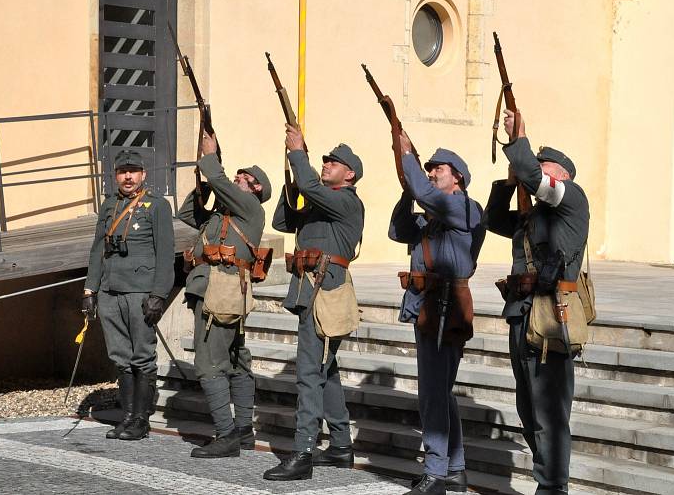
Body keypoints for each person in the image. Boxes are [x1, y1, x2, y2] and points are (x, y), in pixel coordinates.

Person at [484, 110, 589, 495]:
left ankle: (552, 487)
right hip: (522, 314)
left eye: (542, 166)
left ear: (559, 174)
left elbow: (535, 178)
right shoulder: (532, 217)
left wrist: (517, 143)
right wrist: (510, 182)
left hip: (552, 316)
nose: (531, 170)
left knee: (550, 412)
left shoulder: (571, 199)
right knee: (529, 410)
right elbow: (492, 218)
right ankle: (548, 476)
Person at [263, 125, 364, 481]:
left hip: (327, 292)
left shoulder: (346, 201)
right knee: (326, 370)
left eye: (333, 163)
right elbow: (282, 220)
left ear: (349, 174)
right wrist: (292, 176)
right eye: (324, 161)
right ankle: (339, 445)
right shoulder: (322, 204)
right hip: (310, 290)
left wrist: (297, 154)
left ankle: (303, 452)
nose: (326, 164)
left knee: (309, 372)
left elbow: (311, 188)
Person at [388, 131, 485, 495]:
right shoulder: (433, 215)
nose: (430, 173)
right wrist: (405, 189)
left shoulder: (464, 207)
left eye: (437, 169)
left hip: (445, 307)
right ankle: (454, 468)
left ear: (457, 176)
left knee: (431, 392)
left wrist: (407, 156)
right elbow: (398, 230)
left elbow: (426, 194)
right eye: (427, 169)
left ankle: (436, 472)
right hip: (427, 304)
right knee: (440, 391)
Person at [177, 131, 271, 458]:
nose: (237, 178)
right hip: (217, 287)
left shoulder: (250, 207)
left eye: (244, 178)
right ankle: (243, 429)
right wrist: (203, 186)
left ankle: (226, 434)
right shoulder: (224, 214)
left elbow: (219, 178)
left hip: (222, 289)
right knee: (236, 359)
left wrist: (209, 157)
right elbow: (187, 214)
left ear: (256, 188)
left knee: (208, 364)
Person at [82, 149, 175, 440]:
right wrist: (90, 288)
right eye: (123, 171)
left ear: (143, 175)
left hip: (140, 292)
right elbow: (98, 248)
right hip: (110, 290)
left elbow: (165, 253)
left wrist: (159, 294)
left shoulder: (156, 206)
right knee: (120, 356)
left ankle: (141, 419)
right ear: (115, 175)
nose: (128, 177)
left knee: (142, 356)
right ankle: (127, 415)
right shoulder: (109, 205)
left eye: (133, 171)